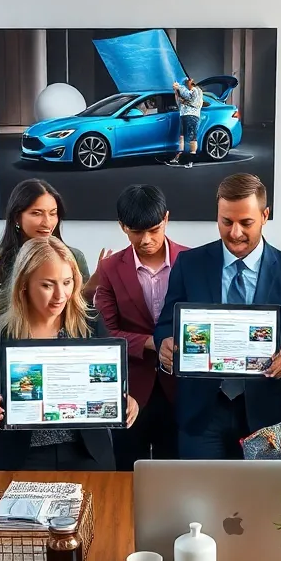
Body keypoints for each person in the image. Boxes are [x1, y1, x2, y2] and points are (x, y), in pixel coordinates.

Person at [154, 173, 281, 459]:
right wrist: (165, 344)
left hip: (264, 414)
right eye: (226, 222)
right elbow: (165, 324)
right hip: (201, 412)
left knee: (258, 501)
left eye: (246, 223)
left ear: (265, 215)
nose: (235, 233)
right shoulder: (190, 264)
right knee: (201, 501)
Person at [0, 237, 139, 470]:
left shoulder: (91, 324)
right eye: (47, 285)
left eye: (67, 282)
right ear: (24, 284)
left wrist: (127, 401)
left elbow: (109, 388)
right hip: (24, 457)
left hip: (86, 453)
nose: (60, 295)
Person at [95, 185, 187, 469]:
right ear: (123, 227)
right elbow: (107, 334)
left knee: (175, 474)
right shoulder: (109, 269)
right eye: (136, 231)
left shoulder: (191, 260)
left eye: (154, 229)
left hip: (181, 388)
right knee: (126, 472)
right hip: (130, 389)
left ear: (167, 219)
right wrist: (154, 343)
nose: (146, 240)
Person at [0, 178, 104, 301]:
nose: (47, 222)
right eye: (37, 213)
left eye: (53, 213)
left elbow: (81, 311)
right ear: (17, 217)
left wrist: (91, 289)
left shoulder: (74, 256)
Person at [167, 77, 204, 167]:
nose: (187, 83)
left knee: (191, 138)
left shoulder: (196, 90)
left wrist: (178, 87)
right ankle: (180, 157)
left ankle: (190, 161)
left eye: (188, 81)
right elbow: (179, 103)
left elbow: (187, 96)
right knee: (182, 137)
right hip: (184, 116)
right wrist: (176, 92)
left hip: (191, 116)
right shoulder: (188, 92)